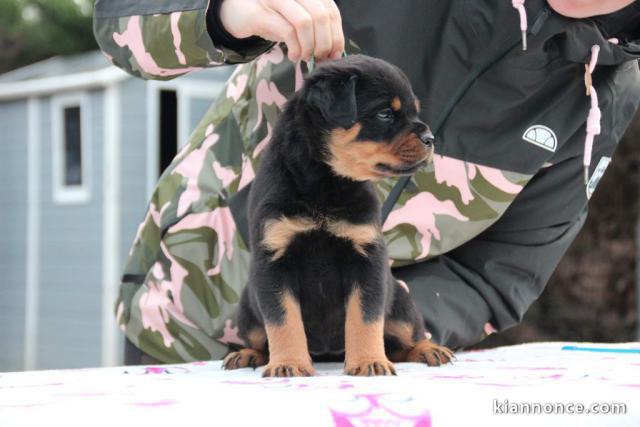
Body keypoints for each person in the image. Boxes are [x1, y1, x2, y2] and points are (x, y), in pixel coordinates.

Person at [93, 0, 640, 364]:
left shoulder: (607, 94)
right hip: (176, 326)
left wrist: (366, 321)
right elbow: (118, 20)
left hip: (352, 382)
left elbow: (497, 275)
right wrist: (223, 11)